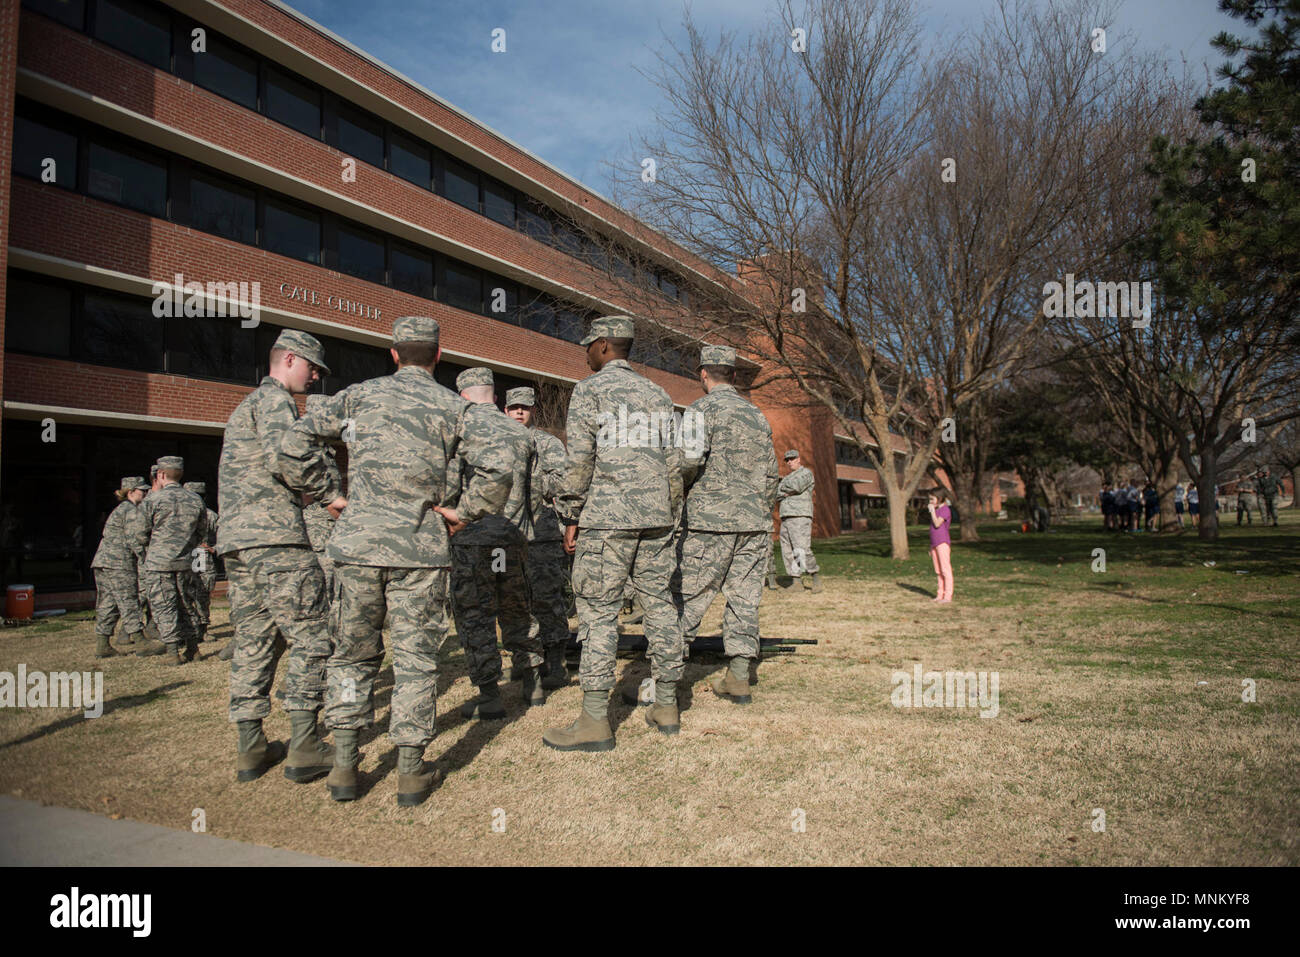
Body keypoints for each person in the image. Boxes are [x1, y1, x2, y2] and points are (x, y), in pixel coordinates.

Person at [281, 317, 519, 807]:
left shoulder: (357, 397)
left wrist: (329, 494)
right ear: (436, 356)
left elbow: (292, 445)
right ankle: (410, 773)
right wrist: (465, 512)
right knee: (415, 659)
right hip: (421, 551)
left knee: (350, 657)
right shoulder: (454, 408)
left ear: (393, 354)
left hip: (358, 548)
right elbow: (501, 461)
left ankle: (345, 766)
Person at [545, 315, 685, 750]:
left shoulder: (590, 391)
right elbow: (675, 460)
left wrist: (570, 513)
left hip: (608, 520)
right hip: (656, 518)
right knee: (660, 603)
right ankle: (666, 703)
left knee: (599, 613)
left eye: (588, 346)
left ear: (604, 346)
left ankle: (593, 721)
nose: (585, 353)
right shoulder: (659, 395)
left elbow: (579, 461)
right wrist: (668, 510)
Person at [218, 329, 338, 785]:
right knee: (311, 635)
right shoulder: (275, 402)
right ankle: (305, 746)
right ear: (290, 359)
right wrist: (329, 495)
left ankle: (250, 748)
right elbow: (285, 457)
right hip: (278, 540)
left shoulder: (241, 408)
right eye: (313, 369)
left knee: (254, 640)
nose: (315, 378)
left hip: (240, 543)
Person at [674, 345, 779, 704]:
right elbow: (771, 476)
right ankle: (738, 676)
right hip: (753, 525)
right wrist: (760, 513)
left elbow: (686, 463)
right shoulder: (756, 416)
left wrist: (676, 497)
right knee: (744, 600)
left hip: (708, 524)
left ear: (703, 374)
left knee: (687, 599)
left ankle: (667, 685)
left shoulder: (699, 410)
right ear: (733, 375)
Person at [448, 368, 543, 718]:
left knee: (476, 615)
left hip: (472, 540)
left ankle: (489, 695)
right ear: (495, 396)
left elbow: (448, 485)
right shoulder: (521, 435)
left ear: (463, 395)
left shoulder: (459, 428)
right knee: (516, 606)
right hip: (511, 540)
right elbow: (534, 489)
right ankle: (532, 681)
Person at [504, 386, 572, 690]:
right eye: (514, 407)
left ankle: (556, 664)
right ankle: (525, 660)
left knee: (548, 600)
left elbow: (561, 481)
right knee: (514, 603)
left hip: (542, 535)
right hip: (507, 535)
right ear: (505, 410)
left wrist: (527, 479)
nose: (519, 412)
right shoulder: (497, 442)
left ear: (533, 411)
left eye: (525, 408)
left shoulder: (548, 443)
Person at [132, 457, 209, 665]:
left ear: (161, 474)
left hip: (159, 563)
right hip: (186, 562)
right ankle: (193, 648)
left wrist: (156, 547)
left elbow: (140, 533)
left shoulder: (152, 500)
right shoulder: (195, 499)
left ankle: (173, 652)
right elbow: (202, 531)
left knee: (164, 605)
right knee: (186, 603)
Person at [90, 476, 150, 657]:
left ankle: (103, 644)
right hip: (119, 563)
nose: (146, 493)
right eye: (142, 490)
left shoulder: (120, 510)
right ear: (131, 492)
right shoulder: (131, 511)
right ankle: (140, 641)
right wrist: (145, 559)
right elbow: (136, 539)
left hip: (104, 561)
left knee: (108, 603)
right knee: (129, 599)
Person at [300, 393, 341, 604]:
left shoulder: (327, 450)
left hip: (329, 531)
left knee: (333, 585)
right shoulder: (306, 447)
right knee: (319, 587)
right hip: (315, 532)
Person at [776, 450, 821, 590]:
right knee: (787, 550)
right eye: (787, 460)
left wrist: (784, 488)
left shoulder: (805, 473)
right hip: (786, 516)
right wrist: (785, 490)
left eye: (792, 459)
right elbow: (777, 495)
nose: (789, 462)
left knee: (801, 548)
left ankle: (815, 577)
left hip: (800, 515)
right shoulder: (788, 477)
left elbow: (797, 486)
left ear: (799, 459)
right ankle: (796, 582)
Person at [182, 482, 219, 643]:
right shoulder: (180, 515)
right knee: (184, 593)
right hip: (184, 558)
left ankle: (202, 629)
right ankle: (188, 629)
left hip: (202, 557)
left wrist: (214, 549)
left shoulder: (210, 515)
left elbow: (225, 536)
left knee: (202, 594)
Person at [927, 488, 953, 603]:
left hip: (942, 543)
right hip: (934, 544)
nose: (930, 501)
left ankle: (947, 596)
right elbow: (933, 529)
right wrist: (931, 546)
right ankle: (940, 594)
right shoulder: (936, 510)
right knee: (938, 570)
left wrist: (932, 511)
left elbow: (937, 524)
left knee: (945, 569)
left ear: (940, 498)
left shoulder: (945, 510)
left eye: (932, 499)